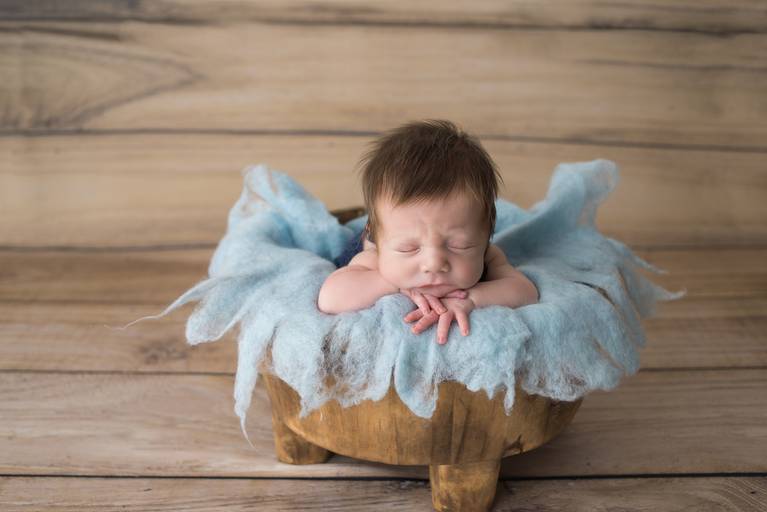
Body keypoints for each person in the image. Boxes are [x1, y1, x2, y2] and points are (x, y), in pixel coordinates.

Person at [317, 119, 539, 344]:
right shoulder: (375, 258)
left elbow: (525, 290)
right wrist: (394, 285)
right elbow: (330, 299)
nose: (433, 263)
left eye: (459, 245)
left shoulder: (487, 255)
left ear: (486, 236)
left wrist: (471, 299)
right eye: (408, 248)